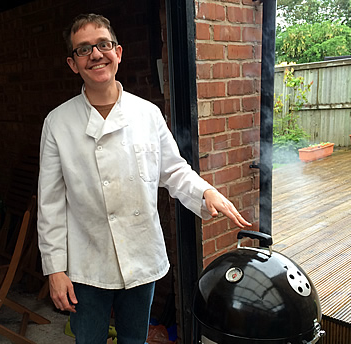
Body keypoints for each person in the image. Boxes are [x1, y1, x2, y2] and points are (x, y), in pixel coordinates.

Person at [37, 13, 251, 344]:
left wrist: (205, 191)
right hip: (86, 262)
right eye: (83, 49)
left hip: (141, 256)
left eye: (103, 45)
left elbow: (174, 170)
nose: (96, 54)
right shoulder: (58, 123)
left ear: (118, 53)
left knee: (135, 340)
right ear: (73, 63)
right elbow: (50, 203)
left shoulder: (147, 114)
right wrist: (54, 269)